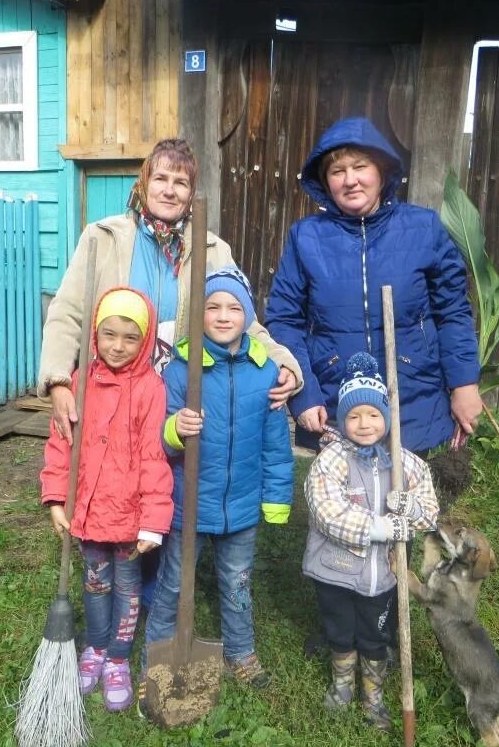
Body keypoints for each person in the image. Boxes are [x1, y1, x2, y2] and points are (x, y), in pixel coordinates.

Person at [38, 138, 302, 611]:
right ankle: (112, 576)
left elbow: (242, 317)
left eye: (181, 182)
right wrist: (59, 380)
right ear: (143, 182)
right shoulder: (104, 238)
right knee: (116, 477)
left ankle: (154, 587)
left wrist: (283, 361)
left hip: (177, 389)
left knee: (162, 480)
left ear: (191, 191)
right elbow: (68, 313)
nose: (169, 189)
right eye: (160, 177)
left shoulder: (211, 250)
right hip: (114, 386)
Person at [266, 117, 482, 457]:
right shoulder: (306, 237)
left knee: (409, 505)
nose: (350, 180)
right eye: (337, 172)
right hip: (337, 397)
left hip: (414, 394)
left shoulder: (423, 228)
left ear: (381, 172)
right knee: (342, 505)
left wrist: (464, 383)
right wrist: (304, 394)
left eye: (360, 167)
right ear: (325, 182)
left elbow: (453, 312)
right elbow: (284, 319)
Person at [139, 267, 294, 702]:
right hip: (190, 505)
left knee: (238, 582)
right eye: (212, 307)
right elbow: (158, 438)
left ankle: (240, 650)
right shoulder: (181, 369)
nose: (223, 316)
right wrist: (175, 428)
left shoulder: (266, 373)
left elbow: (276, 446)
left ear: (248, 315)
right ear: (197, 314)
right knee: (173, 582)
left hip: (242, 507)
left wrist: (276, 500)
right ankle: (158, 653)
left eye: (234, 307)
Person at [40, 287, 173, 713]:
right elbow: (62, 444)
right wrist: (57, 498)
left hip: (130, 517)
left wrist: (153, 519)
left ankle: (117, 658)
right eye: (109, 334)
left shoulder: (151, 388)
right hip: (90, 511)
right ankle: (95, 647)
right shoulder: (78, 383)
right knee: (95, 585)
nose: (117, 346)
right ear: (95, 334)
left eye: (130, 338)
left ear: (146, 340)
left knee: (127, 590)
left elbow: (155, 456)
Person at [303, 352, 439, 731]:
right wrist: (382, 528)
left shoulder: (405, 464)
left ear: (387, 418)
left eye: (373, 415)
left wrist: (409, 507)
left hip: (381, 575)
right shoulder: (331, 461)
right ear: (342, 420)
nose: (364, 424)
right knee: (340, 631)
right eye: (354, 416)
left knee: (375, 634)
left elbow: (429, 513)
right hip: (335, 572)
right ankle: (342, 684)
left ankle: (373, 697)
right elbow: (327, 512)